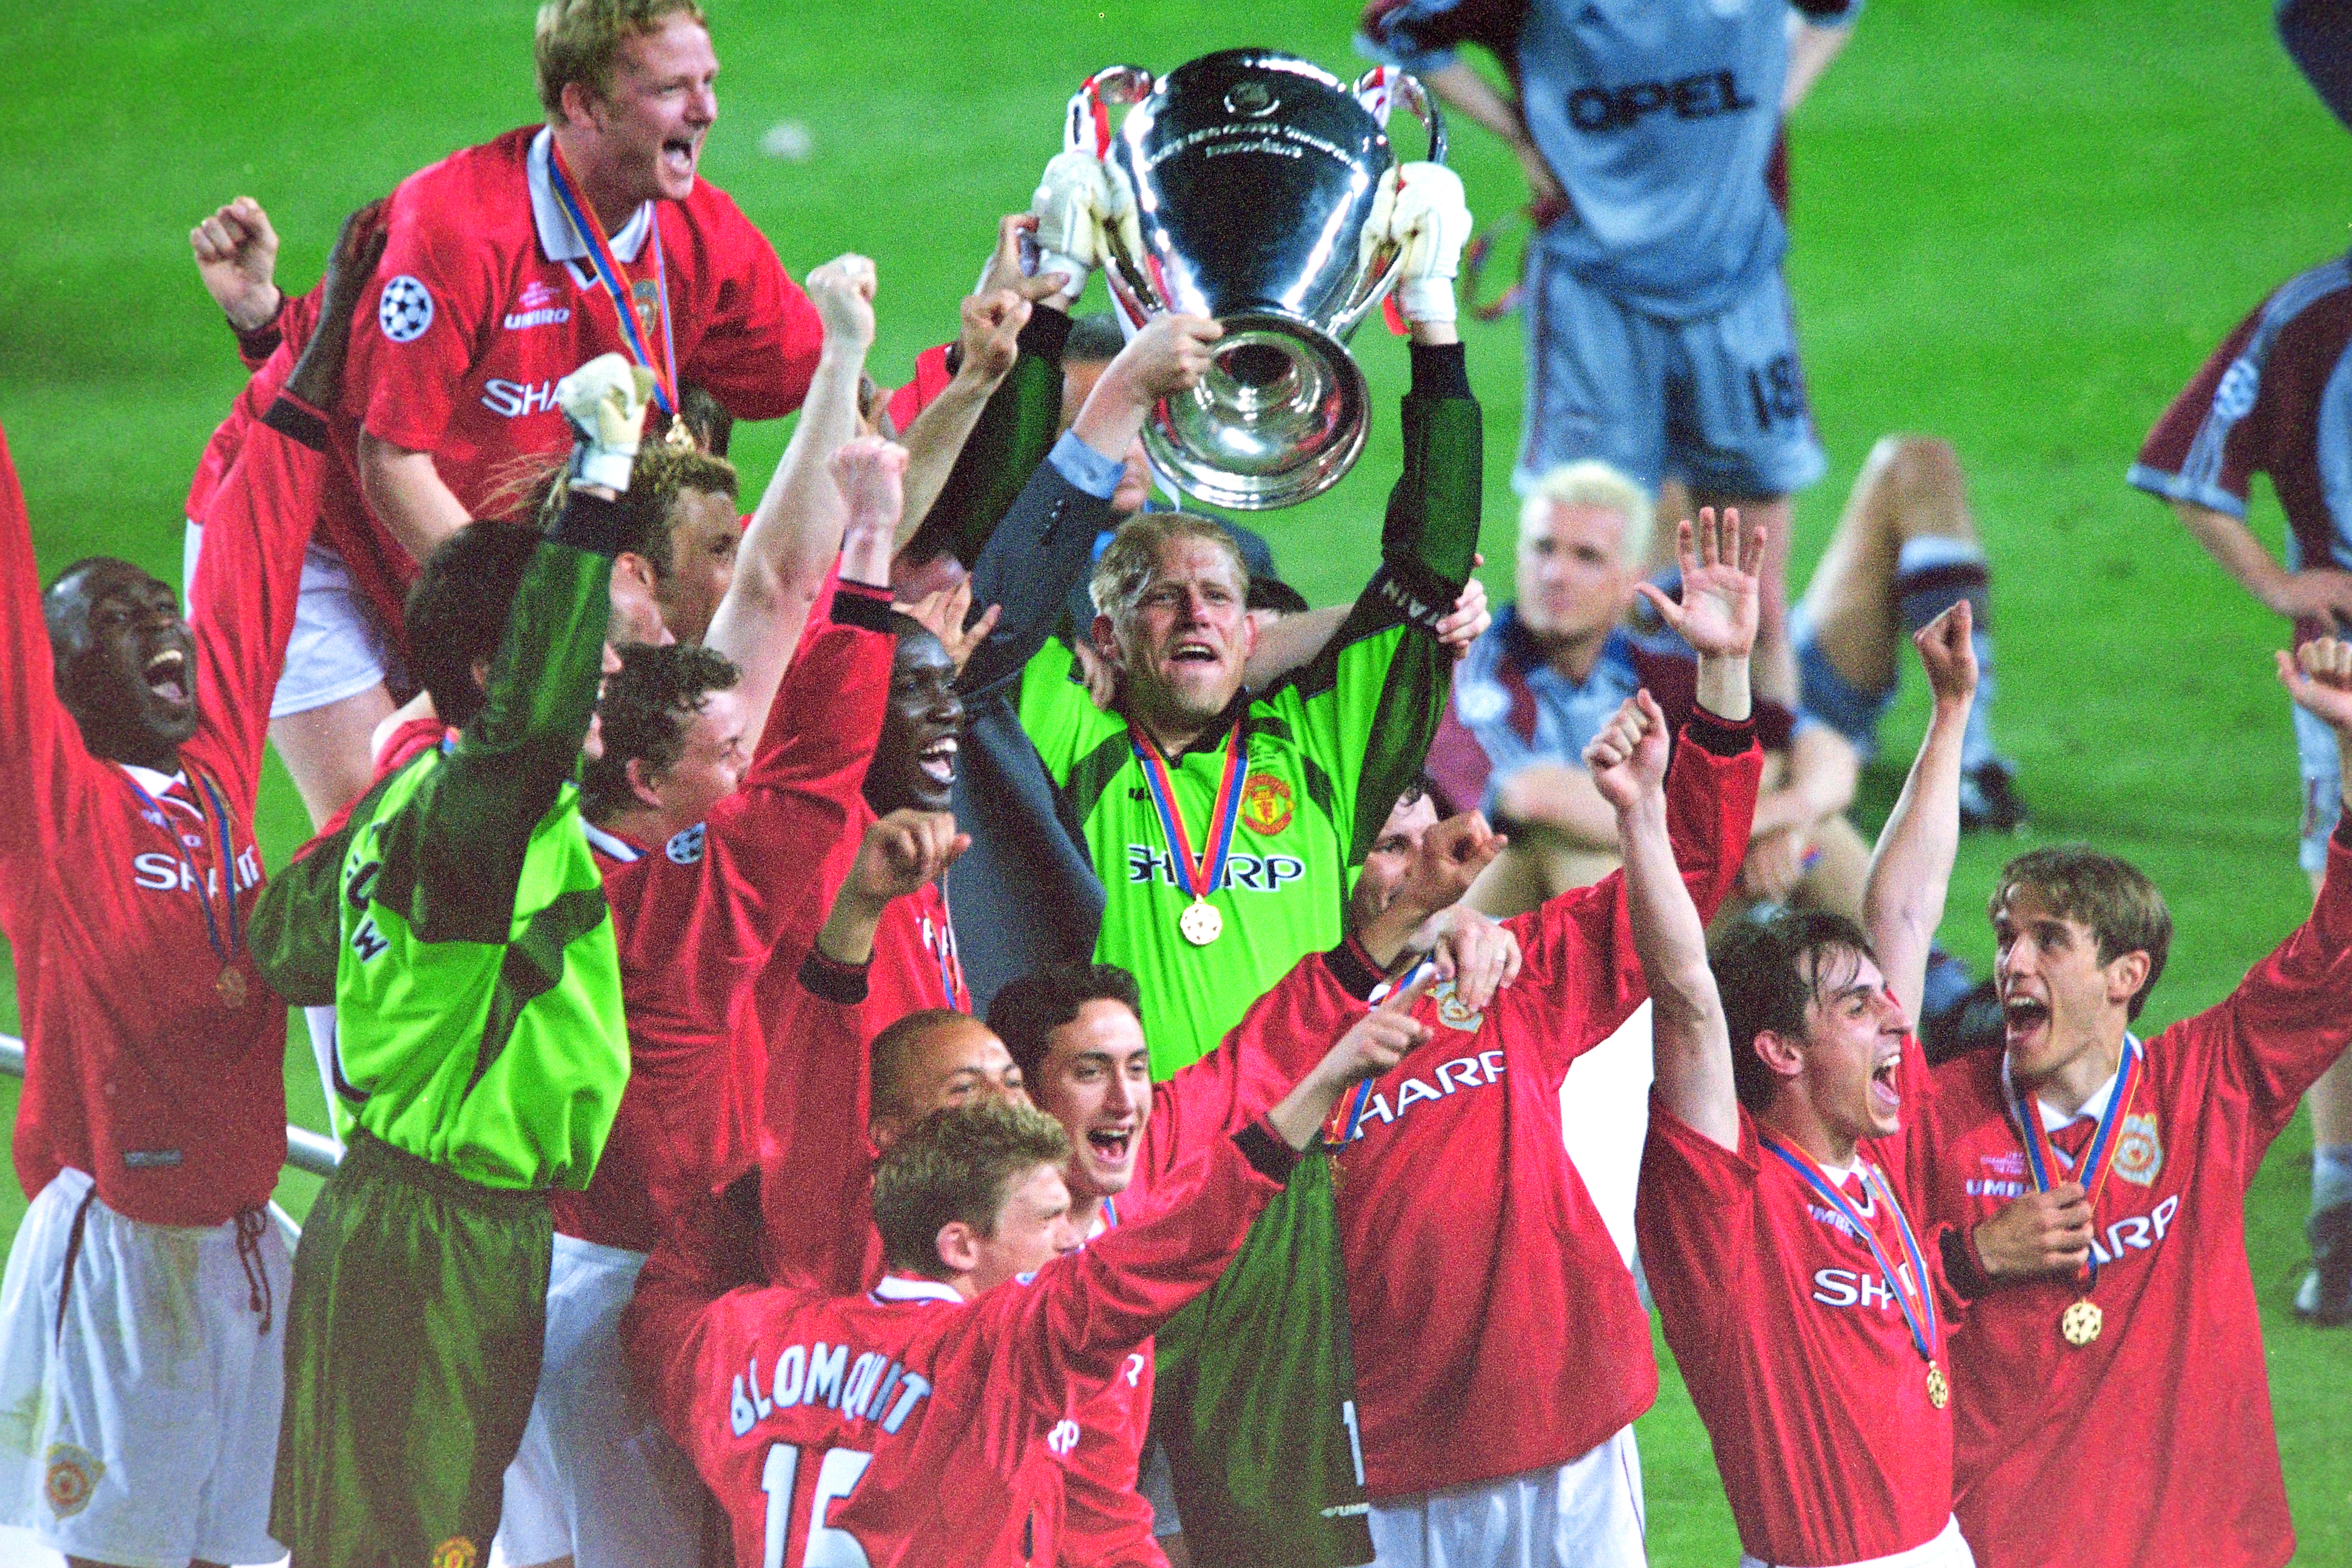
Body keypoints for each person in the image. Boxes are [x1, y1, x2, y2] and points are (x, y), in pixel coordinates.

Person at [1128, 508, 1761, 1568]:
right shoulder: (1285, 1034)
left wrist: (1724, 680)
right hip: (1385, 1463)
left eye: (1432, 839)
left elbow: (1691, 872)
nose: (1422, 867)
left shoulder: (1509, 977)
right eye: (1389, 846)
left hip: (1566, 1428)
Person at [0, 205, 376, 1568]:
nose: (163, 626)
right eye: (117, 620)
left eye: (159, 607)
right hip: (120, 1265)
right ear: (59, 687)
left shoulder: (215, 768)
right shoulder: (54, 814)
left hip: (241, 1246)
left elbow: (263, 539)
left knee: (253, 1550)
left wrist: (291, 340)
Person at [246, 352, 656, 1568]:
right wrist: (599, 487)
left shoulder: (410, 799)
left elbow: (285, 945)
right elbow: (526, 730)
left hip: (401, 1222)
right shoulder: (475, 812)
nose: (614, 671)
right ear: (498, 671)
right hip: (437, 1242)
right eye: (584, 650)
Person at [246, 0, 828, 826]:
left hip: (475, 530)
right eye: (671, 87)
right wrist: (539, 627)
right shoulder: (455, 230)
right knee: (378, 824)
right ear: (583, 103)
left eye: (708, 82)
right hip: (322, 531)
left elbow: (815, 376)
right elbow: (390, 462)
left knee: (529, 804)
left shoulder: (698, 234)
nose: (706, 111)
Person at [625, 979, 1427, 1568]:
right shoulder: (995, 1352)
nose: (1067, 1244)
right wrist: (1318, 1089)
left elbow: (659, 1305)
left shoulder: (742, 1333)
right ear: (959, 1245)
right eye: (1046, 1221)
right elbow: (1165, 1256)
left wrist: (743, 1196)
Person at [1903, 642, 2352, 1568]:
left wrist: (2348, 747)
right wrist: (1975, 1258)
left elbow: (2336, 956)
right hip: (2005, 1542)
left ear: (2124, 975)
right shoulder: (1934, 1112)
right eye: (2004, 936)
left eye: (2047, 941)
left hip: (2201, 1542)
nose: (2010, 962)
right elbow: (1847, 1306)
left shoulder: (2208, 1083)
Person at [1359, 0, 1859, 707]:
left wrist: (1778, 93)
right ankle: (1587, 782)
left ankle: (1767, 794)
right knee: (1588, 589)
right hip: (1597, 301)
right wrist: (1520, 135)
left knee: (1756, 601)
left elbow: (1832, 10)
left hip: (1736, 288)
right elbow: (1393, 27)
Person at [1632, 603, 1983, 1568]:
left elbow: (1905, 906)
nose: (1898, 1019)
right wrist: (1640, 818)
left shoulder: (1878, 1145)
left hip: (1943, 1546)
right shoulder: (1728, 1200)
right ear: (1781, 1050)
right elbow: (1686, 999)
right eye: (1858, 1008)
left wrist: (1949, 714)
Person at [2128, 254, 2352, 1325]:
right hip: (2344, 657)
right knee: (2341, 926)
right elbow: (2184, 462)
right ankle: (2341, 1221)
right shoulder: (2312, 310)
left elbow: (2186, 460)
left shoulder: (2313, 307)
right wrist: (2273, 582)